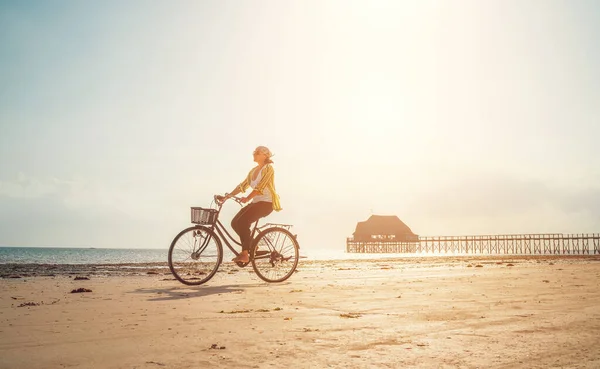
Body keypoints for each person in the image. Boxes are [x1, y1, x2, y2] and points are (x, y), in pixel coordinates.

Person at [219, 146, 282, 263]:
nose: (254, 154)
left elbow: (260, 187)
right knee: (234, 223)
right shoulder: (253, 171)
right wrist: (228, 196)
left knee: (243, 222)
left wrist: (248, 198)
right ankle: (253, 245)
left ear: (265, 155)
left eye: (257, 152)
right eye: (254, 152)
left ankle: (245, 254)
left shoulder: (269, 168)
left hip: (266, 204)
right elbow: (242, 186)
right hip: (256, 203)